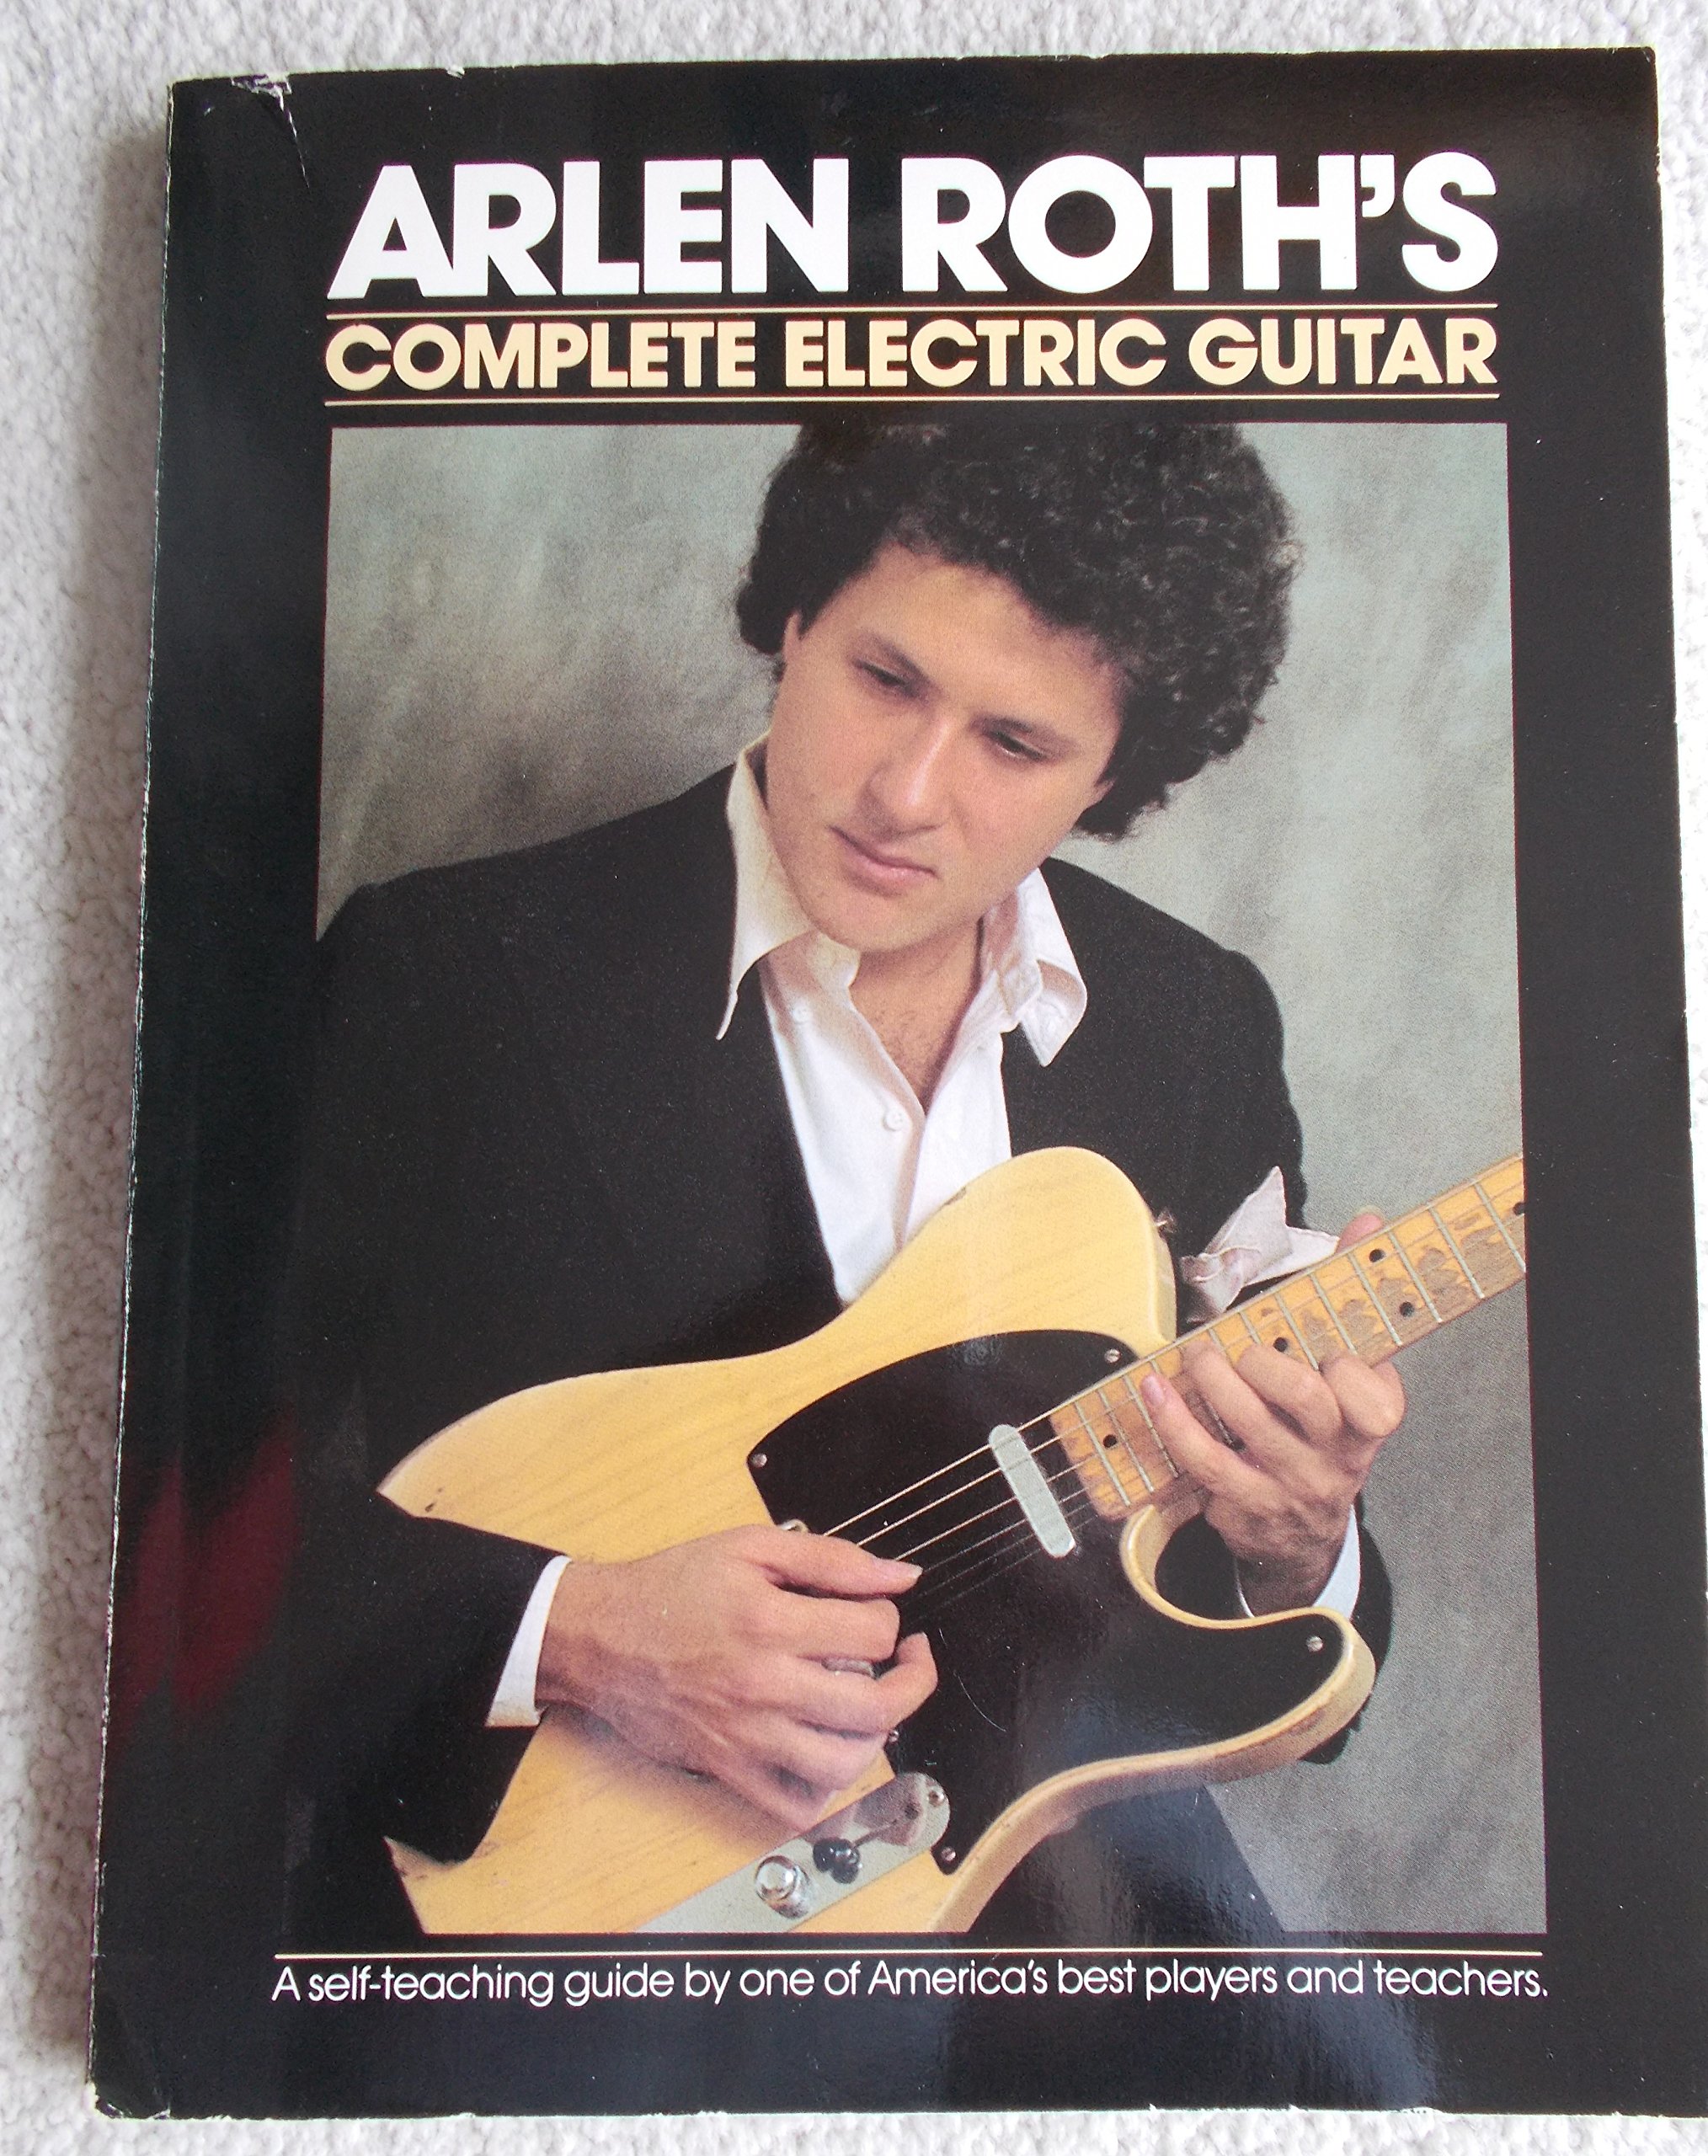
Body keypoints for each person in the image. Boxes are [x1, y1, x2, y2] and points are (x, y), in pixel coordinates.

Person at [286, 414, 1401, 1946]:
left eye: (1015, 745)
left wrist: (1296, 1542)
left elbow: (1232, 1626)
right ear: (796, 617)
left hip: (1041, 1924)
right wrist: (574, 1630)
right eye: (885, 679)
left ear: (1114, 774)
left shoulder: (1195, 1020)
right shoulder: (444, 974)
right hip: (555, 1915)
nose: (906, 792)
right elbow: (171, 1510)